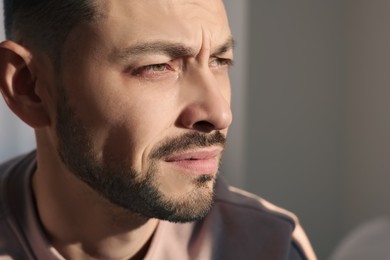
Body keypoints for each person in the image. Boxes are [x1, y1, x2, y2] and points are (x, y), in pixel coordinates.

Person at [0, 0, 316, 259]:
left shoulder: (270, 247)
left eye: (219, 60)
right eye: (156, 66)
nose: (220, 113)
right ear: (29, 87)